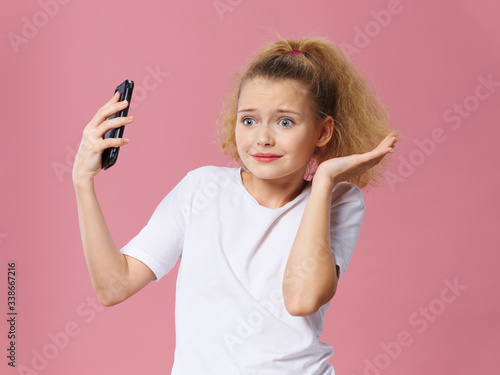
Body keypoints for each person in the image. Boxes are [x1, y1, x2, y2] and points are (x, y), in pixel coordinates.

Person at [72, 35, 398, 374]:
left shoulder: (338, 201)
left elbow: (301, 299)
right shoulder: (201, 189)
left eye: (285, 121)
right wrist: (83, 182)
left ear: (323, 132)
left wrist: (326, 179)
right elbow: (114, 286)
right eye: (249, 120)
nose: (262, 138)